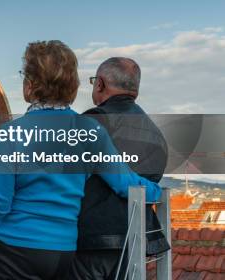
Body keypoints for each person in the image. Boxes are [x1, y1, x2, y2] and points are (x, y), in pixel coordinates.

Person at [0, 41, 162, 280]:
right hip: (63, 249)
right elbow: (125, 183)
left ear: (30, 86)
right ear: (72, 87)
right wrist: (158, 192)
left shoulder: (11, 133)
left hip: (15, 248)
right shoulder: (90, 131)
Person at [69, 58, 169, 280]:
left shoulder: (93, 122)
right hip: (134, 241)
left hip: (91, 240)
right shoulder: (156, 135)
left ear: (100, 84)